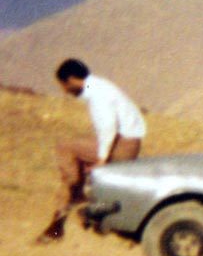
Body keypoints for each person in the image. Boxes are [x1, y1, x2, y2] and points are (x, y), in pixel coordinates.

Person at [37, 59, 146, 244]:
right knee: (73, 166)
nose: (65, 91)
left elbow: (108, 127)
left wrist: (102, 159)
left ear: (71, 79)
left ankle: (76, 187)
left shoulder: (98, 94)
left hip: (123, 146)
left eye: (64, 85)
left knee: (65, 148)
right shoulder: (98, 86)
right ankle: (56, 227)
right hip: (126, 142)